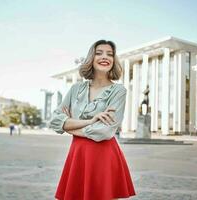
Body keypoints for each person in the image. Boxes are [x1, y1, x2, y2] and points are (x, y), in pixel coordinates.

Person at [49, 40, 136, 200]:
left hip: (104, 154)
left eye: (110, 54)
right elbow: (55, 120)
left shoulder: (118, 91)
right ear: (91, 58)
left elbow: (104, 131)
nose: (105, 57)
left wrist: (69, 125)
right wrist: (90, 121)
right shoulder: (76, 89)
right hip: (78, 153)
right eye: (99, 53)